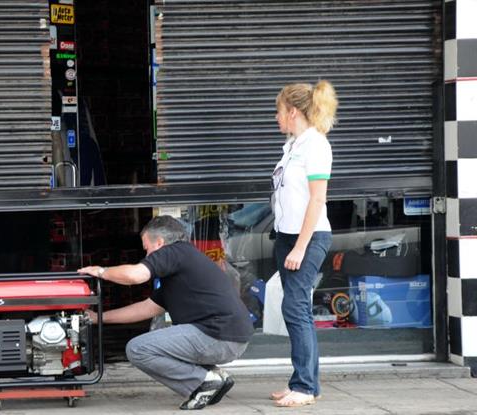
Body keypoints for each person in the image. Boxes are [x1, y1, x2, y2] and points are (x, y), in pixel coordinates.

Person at [77, 215, 253, 410]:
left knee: (138, 349)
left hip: (218, 335)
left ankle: (203, 380)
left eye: (146, 248)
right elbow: (145, 309)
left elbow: (135, 275)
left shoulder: (173, 252)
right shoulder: (183, 265)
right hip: (230, 338)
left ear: (159, 242)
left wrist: (101, 271)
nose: (147, 254)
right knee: (155, 343)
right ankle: (214, 376)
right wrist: (98, 318)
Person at [269, 80, 338, 408]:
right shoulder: (293, 145)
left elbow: (317, 200)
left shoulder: (315, 146)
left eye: (279, 111)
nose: (276, 117)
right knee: (296, 309)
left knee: (295, 308)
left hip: (307, 237)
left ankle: (305, 387)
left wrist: (300, 246)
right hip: (286, 236)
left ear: (293, 111)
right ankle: (306, 382)